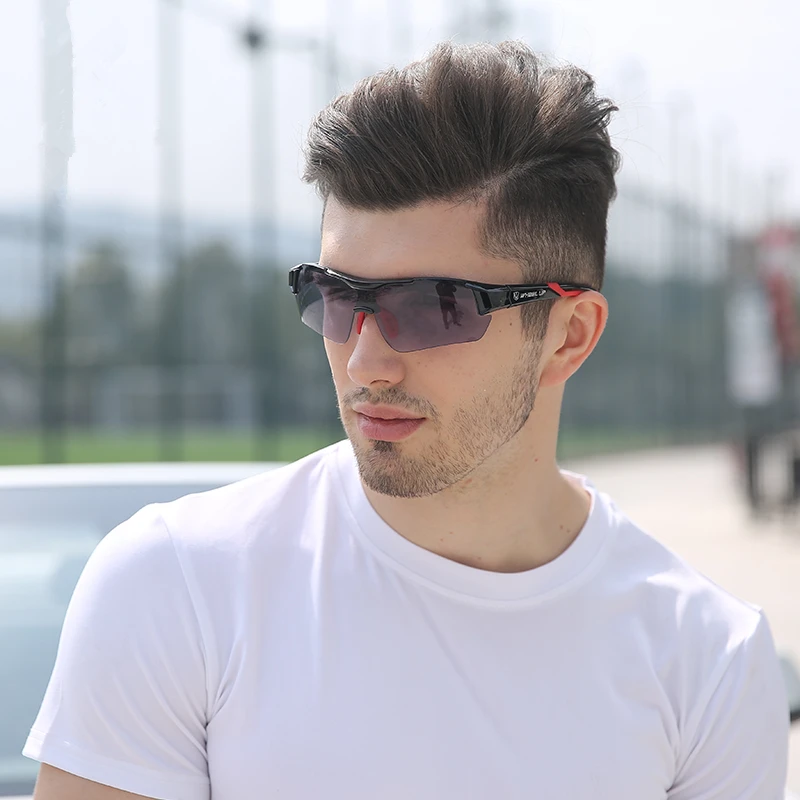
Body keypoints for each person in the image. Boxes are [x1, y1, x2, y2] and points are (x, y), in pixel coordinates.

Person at [24, 41, 789, 800]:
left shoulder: (709, 664)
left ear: (569, 336)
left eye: (431, 308)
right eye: (334, 297)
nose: (366, 363)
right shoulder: (178, 587)